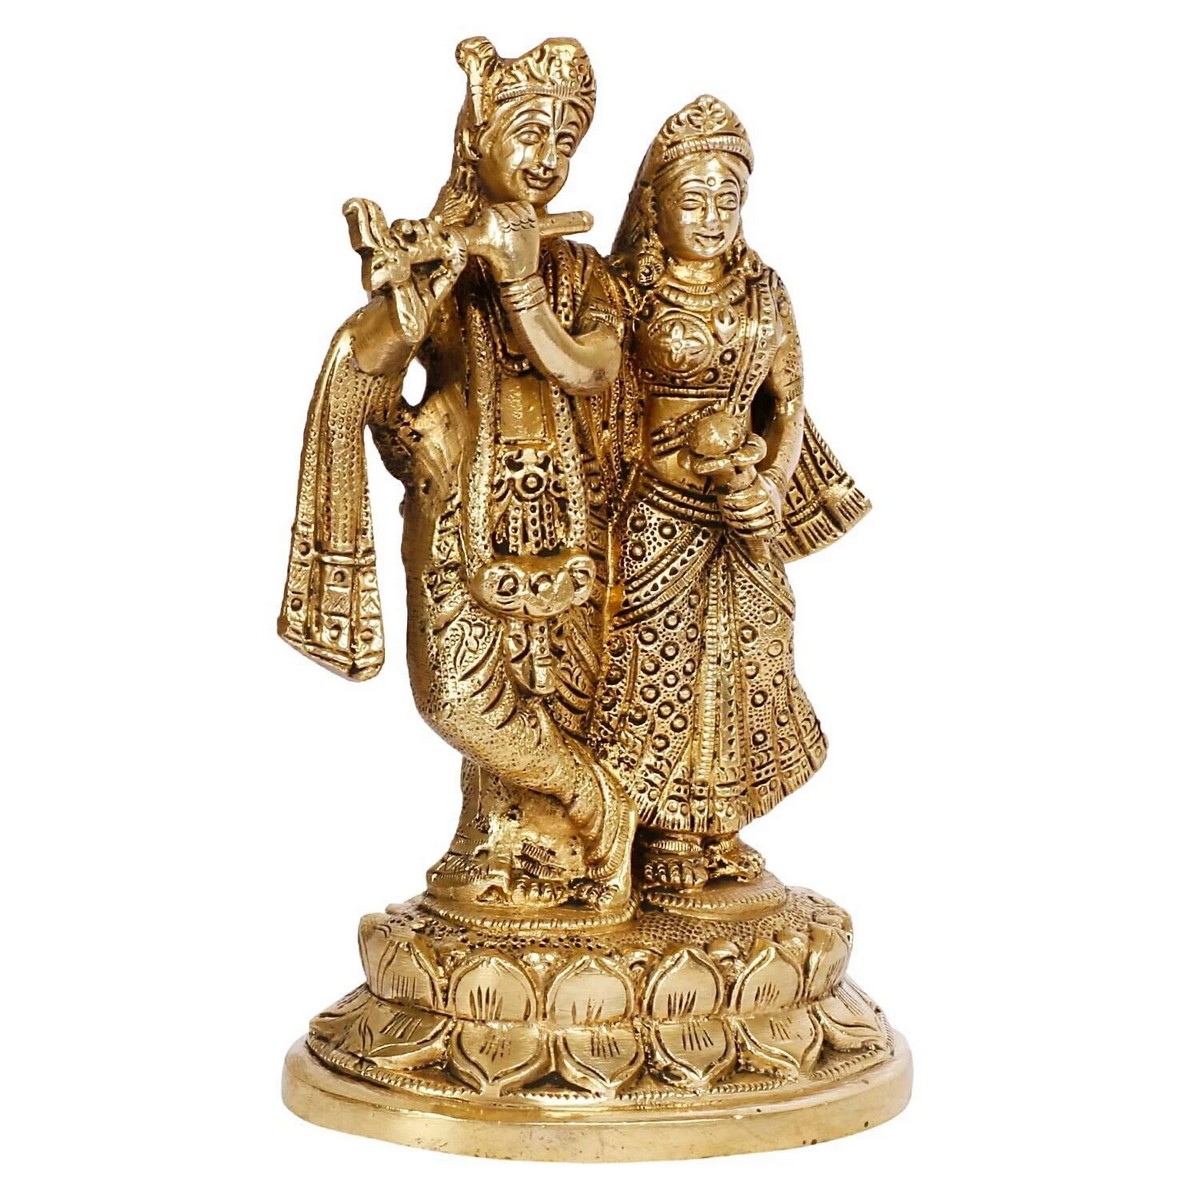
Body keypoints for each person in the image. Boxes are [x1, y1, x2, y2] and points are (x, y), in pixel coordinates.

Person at [280, 37, 634, 912]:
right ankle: (591, 804)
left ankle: (551, 848)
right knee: (455, 698)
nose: (548, 157)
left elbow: (592, 368)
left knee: (559, 699)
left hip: (571, 525)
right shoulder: (445, 258)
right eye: (529, 132)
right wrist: (407, 304)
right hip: (454, 518)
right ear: (479, 139)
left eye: (566, 140)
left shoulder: (581, 272)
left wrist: (520, 281)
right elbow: (367, 368)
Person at [594, 96, 870, 892]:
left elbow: (787, 405)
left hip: (742, 520)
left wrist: (772, 488)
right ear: (655, 206)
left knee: (747, 661)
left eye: (729, 199)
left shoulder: (764, 292)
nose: (713, 217)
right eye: (693, 200)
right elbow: (594, 395)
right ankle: (654, 832)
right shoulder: (625, 291)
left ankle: (717, 825)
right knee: (657, 665)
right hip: (657, 516)